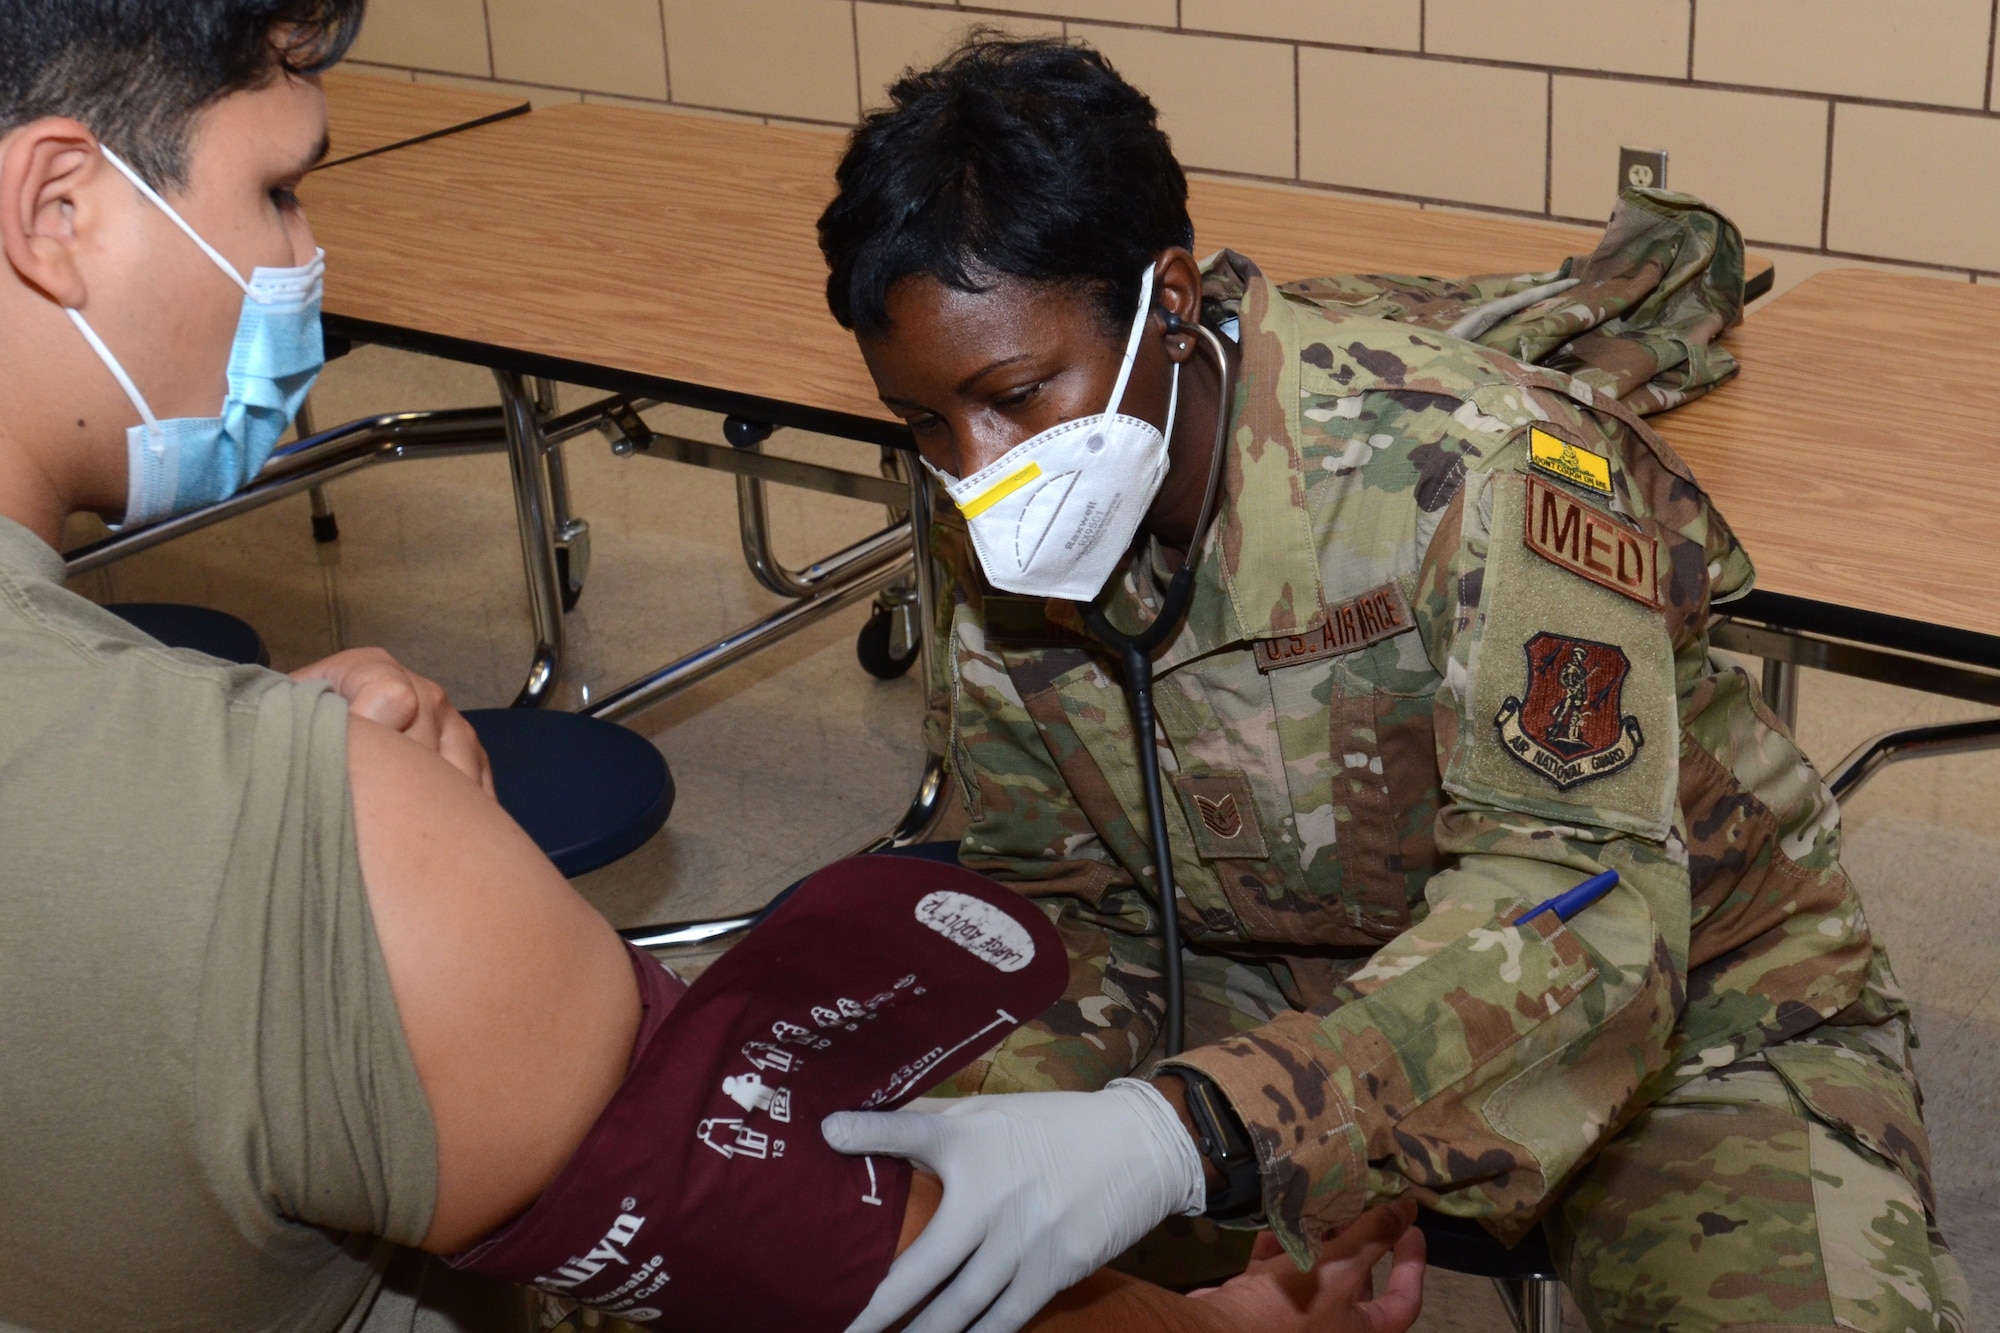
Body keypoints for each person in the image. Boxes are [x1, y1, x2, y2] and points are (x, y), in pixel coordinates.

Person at [0, 5, 1427, 1331]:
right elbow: (803, 1245)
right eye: (281, 189)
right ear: (58, 211)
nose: (305, 261)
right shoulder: (339, 856)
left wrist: (248, 768)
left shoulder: (1439, 475)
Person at [814, 34, 1972, 1333]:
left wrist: (1185, 1132)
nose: (978, 468)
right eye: (923, 422)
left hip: (1683, 992)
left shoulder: (1486, 468)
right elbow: (1062, 892)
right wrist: (1022, 1118)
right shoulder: (995, 520)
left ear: (1170, 303)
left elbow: (1587, 903)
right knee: (860, 1246)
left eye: (1017, 393)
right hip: (1259, 972)